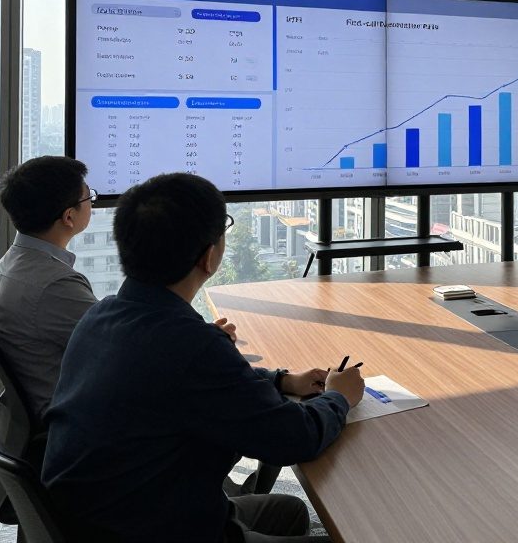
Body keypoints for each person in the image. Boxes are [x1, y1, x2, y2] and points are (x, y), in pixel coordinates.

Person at [43, 173, 363, 543]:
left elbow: (201, 383)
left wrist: (280, 380)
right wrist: (339, 396)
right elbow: (295, 438)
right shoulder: (189, 346)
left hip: (111, 515)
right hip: (159, 528)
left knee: (288, 511)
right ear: (209, 257)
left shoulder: (102, 316)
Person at [0, 156, 100, 423]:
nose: (92, 204)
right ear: (69, 217)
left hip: (44, 396)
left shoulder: (15, 261)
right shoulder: (55, 285)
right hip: (75, 416)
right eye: (88, 199)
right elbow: (120, 347)